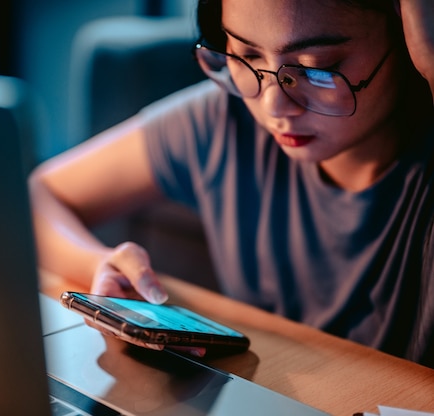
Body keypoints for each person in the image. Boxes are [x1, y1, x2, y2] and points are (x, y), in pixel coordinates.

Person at [28, 0, 434, 367]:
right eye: (246, 55)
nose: (274, 105)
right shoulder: (224, 120)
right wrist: (99, 266)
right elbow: (36, 196)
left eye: (316, 67)